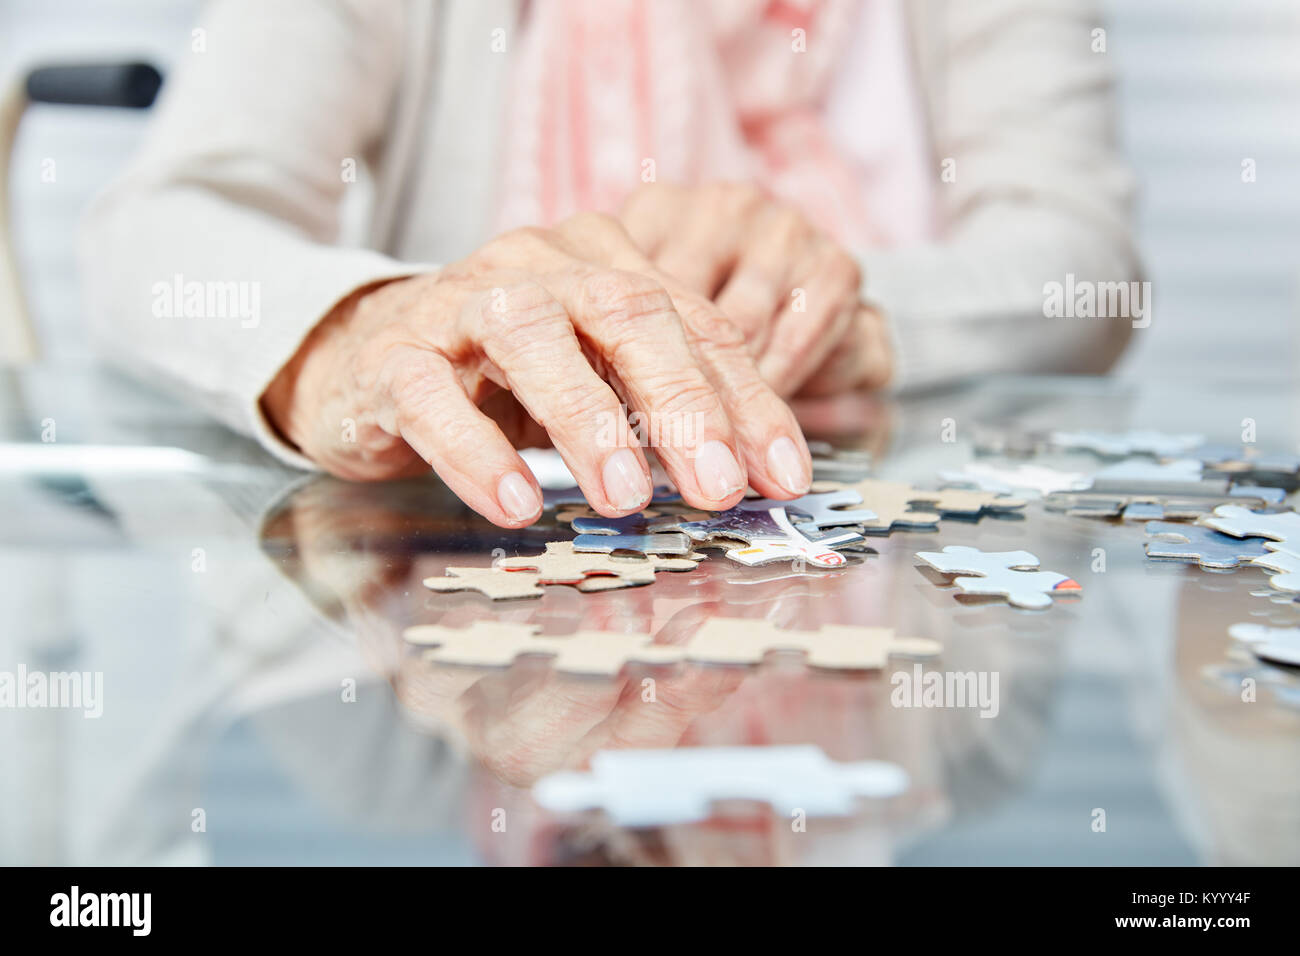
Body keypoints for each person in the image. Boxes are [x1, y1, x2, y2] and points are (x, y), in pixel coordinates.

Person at [80, 0, 1138, 527]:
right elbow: (159, 221)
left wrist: (839, 311)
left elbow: (1083, 269)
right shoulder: (393, 782)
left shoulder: (958, 755)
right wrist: (362, 327)